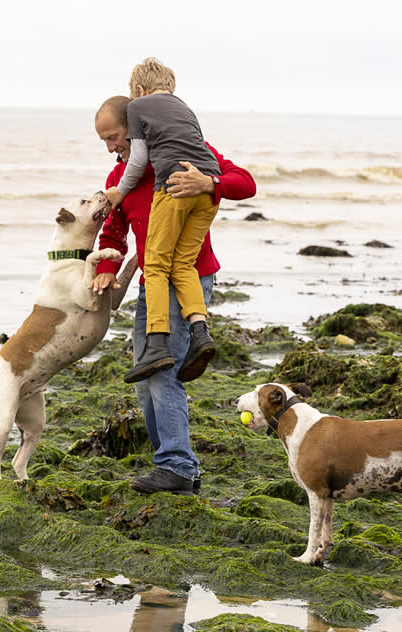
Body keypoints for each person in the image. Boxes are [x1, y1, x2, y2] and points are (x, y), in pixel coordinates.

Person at [92, 95, 256, 495]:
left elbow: (246, 183)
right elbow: (113, 232)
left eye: (113, 137)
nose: (111, 147)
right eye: (104, 141)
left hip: (190, 278)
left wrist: (209, 182)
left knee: (163, 372)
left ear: (133, 126)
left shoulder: (187, 155)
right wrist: (106, 270)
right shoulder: (120, 179)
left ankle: (178, 467)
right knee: (145, 376)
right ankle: (173, 464)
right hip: (153, 283)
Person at [103, 58, 222, 385]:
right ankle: (200, 331)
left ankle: (156, 344)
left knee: (154, 264)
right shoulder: (184, 107)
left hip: (174, 189)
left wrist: (119, 191)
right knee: (183, 263)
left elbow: (139, 157)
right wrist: (212, 183)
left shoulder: (138, 107)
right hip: (206, 188)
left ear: (139, 91)